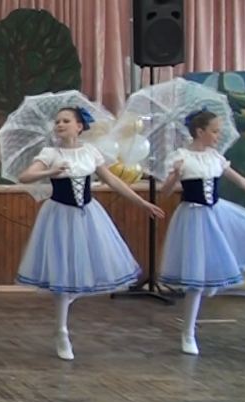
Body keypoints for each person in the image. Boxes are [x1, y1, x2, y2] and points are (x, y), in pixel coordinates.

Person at [15, 107, 165, 361]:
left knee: (79, 274)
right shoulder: (50, 154)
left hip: (87, 216)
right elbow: (25, 176)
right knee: (62, 274)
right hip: (59, 217)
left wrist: (141, 203)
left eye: (66, 120)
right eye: (57, 121)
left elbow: (113, 181)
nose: (60, 124)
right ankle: (61, 331)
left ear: (79, 126)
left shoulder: (90, 152)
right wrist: (50, 172)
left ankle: (67, 308)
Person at [157, 109, 245, 355]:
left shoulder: (215, 158)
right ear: (200, 132)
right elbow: (165, 193)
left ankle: (212, 285)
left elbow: (242, 182)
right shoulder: (182, 157)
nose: (218, 136)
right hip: (192, 218)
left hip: (217, 214)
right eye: (215, 131)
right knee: (195, 280)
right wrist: (175, 175)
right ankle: (188, 333)